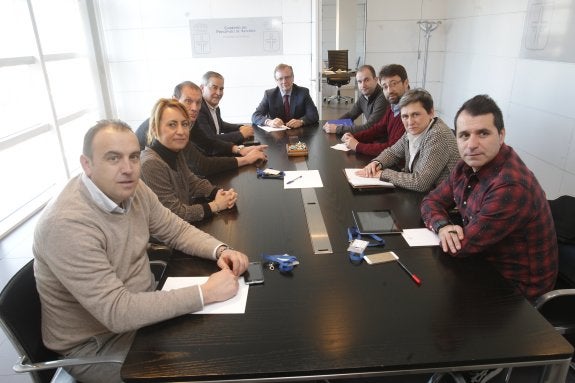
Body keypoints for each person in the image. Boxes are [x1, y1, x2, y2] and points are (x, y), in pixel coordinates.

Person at [33, 120, 249, 382]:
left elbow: (176, 230)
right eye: (113, 158)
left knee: (228, 343)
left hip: (143, 313)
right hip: (100, 344)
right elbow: (117, 311)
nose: (128, 169)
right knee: (207, 367)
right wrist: (206, 292)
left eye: (134, 157)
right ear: (87, 164)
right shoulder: (66, 224)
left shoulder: (133, 188)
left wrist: (219, 249)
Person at [421, 94, 558, 302]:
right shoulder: (465, 165)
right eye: (464, 135)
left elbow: (462, 247)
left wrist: (446, 231)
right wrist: (442, 227)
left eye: (483, 133)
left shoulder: (511, 185)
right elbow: (430, 201)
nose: (472, 144)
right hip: (484, 264)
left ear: (501, 135)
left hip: (518, 292)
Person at [135, 81, 267, 176]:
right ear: (174, 100)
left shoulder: (187, 119)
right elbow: (201, 165)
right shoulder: (173, 127)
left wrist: (240, 149)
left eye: (198, 102)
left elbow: (207, 142)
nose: (194, 108)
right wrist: (246, 160)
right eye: (188, 101)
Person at [141, 98, 238, 221]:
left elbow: (192, 181)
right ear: (155, 129)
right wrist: (216, 205)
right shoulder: (151, 163)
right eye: (172, 124)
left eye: (185, 124)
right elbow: (174, 214)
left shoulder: (175, 151)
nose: (181, 131)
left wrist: (218, 193)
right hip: (162, 238)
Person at [356, 88, 459, 192]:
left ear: (431, 112)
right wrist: (376, 163)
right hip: (424, 195)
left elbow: (420, 183)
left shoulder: (438, 135)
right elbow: (393, 152)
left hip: (446, 201)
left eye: (416, 114)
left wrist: (382, 174)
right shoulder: (413, 131)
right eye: (405, 116)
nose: (410, 122)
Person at [341, 64, 410, 156]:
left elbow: (393, 149)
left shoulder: (409, 112)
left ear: (406, 83)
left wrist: (358, 146)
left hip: (399, 165)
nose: (389, 90)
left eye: (394, 84)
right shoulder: (394, 106)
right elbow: (377, 129)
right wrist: (353, 137)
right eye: (385, 86)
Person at [323, 64, 389, 134]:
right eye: (360, 82)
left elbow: (369, 127)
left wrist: (337, 129)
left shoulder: (382, 98)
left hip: (381, 141)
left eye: (366, 80)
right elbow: (351, 115)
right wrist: (334, 124)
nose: (363, 85)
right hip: (372, 137)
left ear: (375, 80)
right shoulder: (364, 95)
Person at [251, 63, 319, 128]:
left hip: (298, 134)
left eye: (287, 77)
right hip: (276, 135)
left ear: (293, 78)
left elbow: (314, 115)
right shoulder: (269, 95)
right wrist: (269, 122)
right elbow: (255, 116)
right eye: (280, 79)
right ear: (276, 81)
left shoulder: (303, 92)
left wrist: (301, 121)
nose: (284, 81)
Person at [196, 71, 254, 144]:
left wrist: (240, 127)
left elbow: (220, 124)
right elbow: (210, 139)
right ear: (202, 88)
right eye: (214, 88)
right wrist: (241, 134)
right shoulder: (198, 108)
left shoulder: (214, 106)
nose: (218, 93)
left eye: (221, 89)